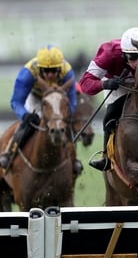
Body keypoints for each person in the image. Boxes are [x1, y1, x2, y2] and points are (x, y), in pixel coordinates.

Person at [0, 45, 82, 174]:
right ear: (39, 69)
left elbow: (72, 102)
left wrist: (64, 115)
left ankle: (73, 159)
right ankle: (10, 153)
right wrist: (25, 115)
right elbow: (16, 101)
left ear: (60, 68)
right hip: (36, 98)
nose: (50, 75)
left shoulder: (67, 72)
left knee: (65, 125)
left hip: (58, 100)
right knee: (29, 123)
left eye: (54, 70)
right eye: (46, 71)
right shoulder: (28, 73)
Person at [79, 27, 138, 171]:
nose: (137, 63)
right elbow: (84, 84)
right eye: (132, 57)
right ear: (123, 55)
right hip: (118, 85)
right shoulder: (109, 54)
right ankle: (106, 156)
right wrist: (105, 84)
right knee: (111, 116)